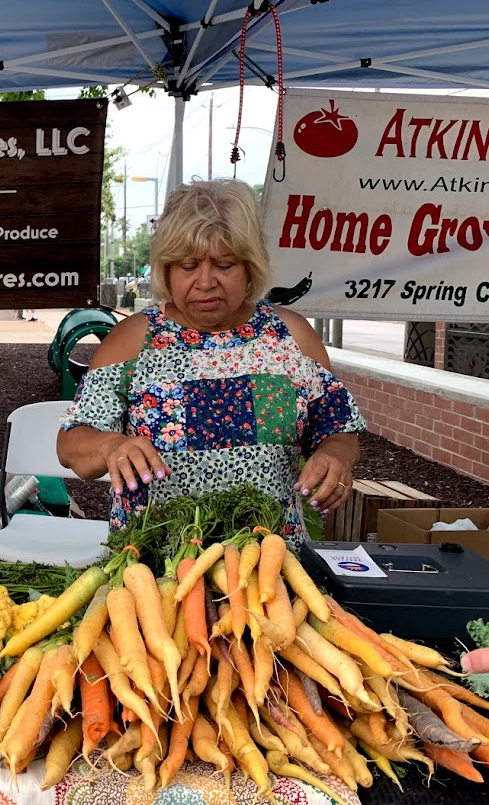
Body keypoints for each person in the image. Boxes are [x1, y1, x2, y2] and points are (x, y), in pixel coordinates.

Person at [57, 178, 364, 545]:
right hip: (155, 564)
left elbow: (338, 429)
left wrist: (336, 457)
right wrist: (110, 446)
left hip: (267, 562)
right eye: (188, 266)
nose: (205, 282)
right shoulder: (132, 341)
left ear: (250, 267)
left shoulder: (290, 337)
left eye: (224, 264)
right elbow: (71, 443)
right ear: (167, 270)